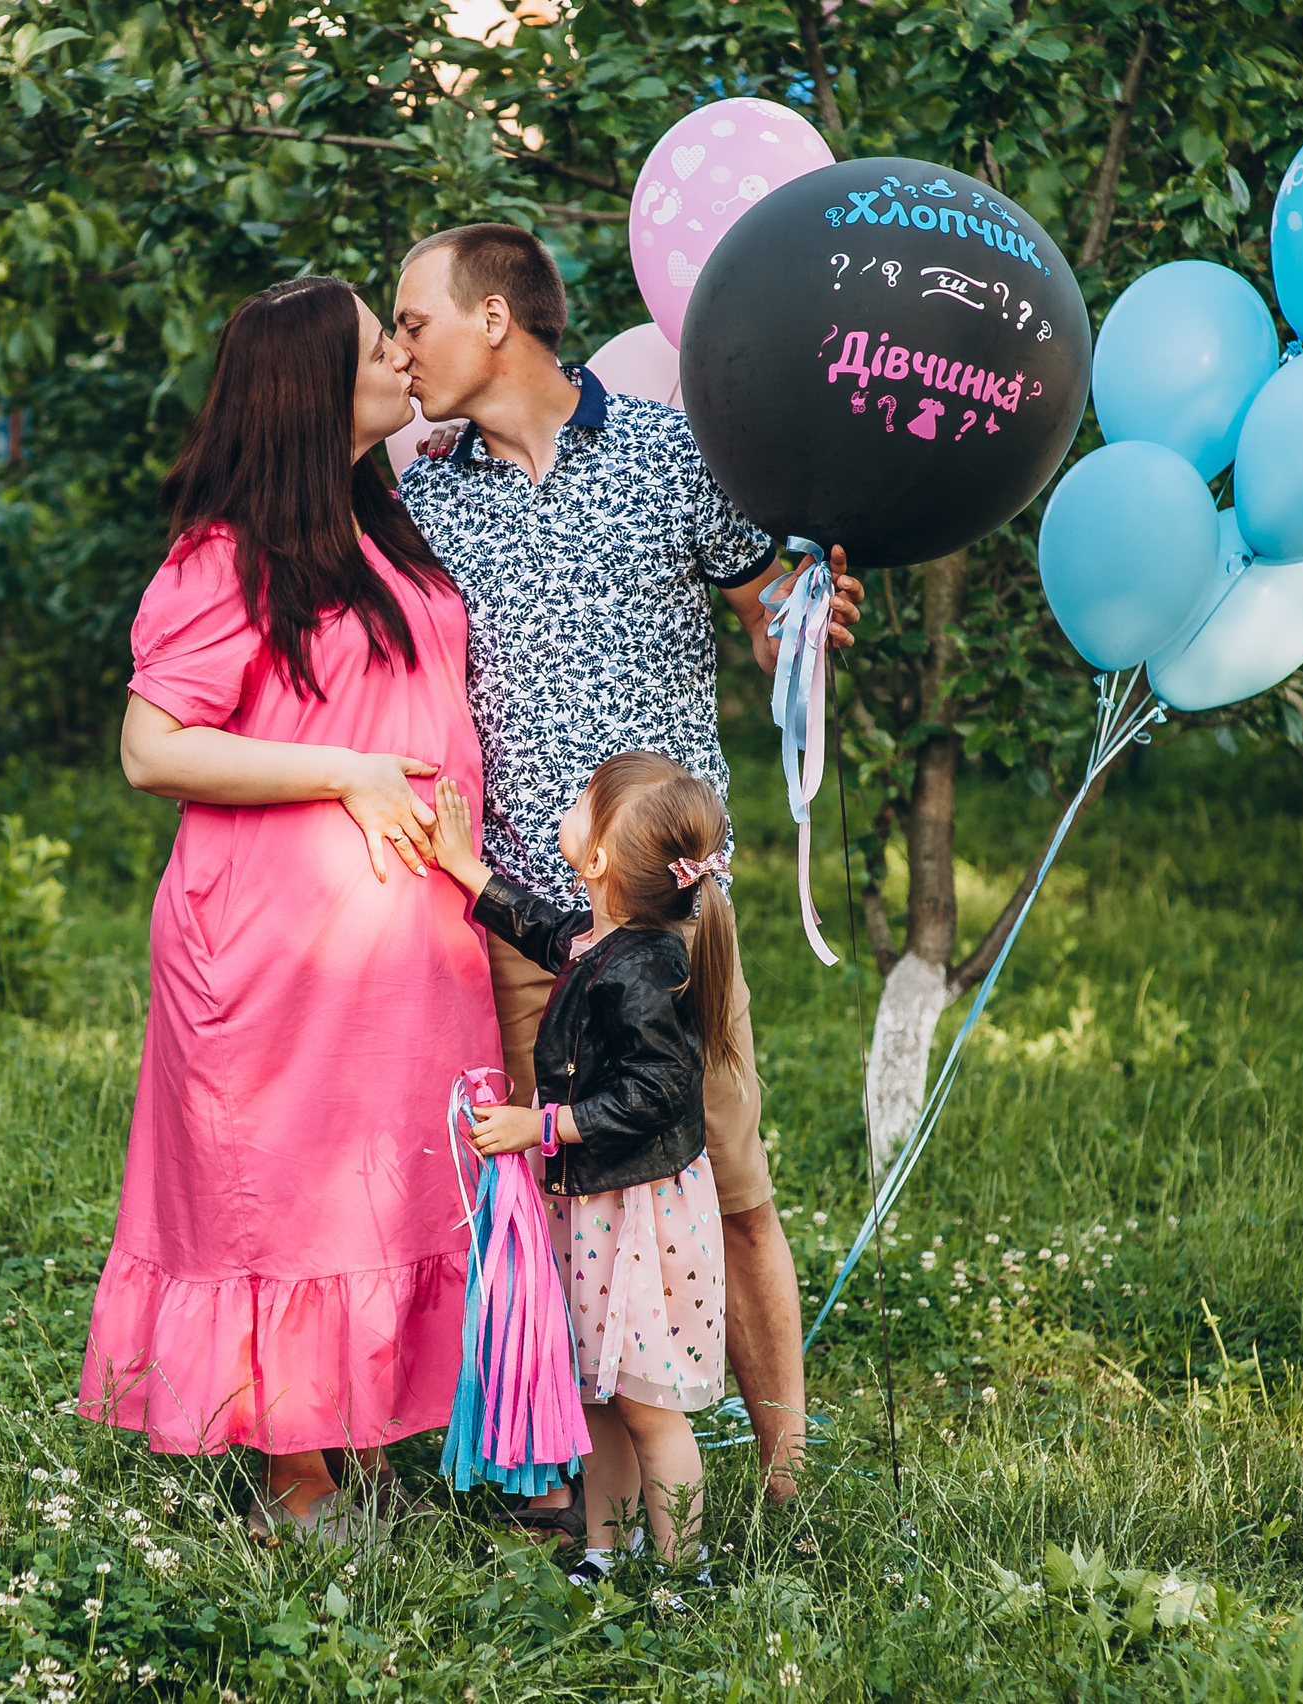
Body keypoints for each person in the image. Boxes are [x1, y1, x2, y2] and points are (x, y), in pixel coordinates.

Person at [391, 223, 862, 1508]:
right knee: (539, 1201)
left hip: (665, 918)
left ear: (496, 320)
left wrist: (800, 631)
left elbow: (772, 611)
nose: (401, 349)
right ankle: (565, 1488)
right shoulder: (424, 497)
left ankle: (784, 1476)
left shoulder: (669, 454)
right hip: (513, 918)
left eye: (414, 320)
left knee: (729, 1179)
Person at [77, 277, 499, 1542]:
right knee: (292, 1191)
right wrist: (349, 772)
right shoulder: (230, 551)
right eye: (383, 344)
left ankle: (363, 1436)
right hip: (277, 938)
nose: (404, 357)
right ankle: (295, 1472)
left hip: (407, 932)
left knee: (391, 1184)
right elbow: (153, 749)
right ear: (318, 385)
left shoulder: (383, 524)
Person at [425, 753, 738, 1582]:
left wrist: (544, 1124)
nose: (564, 808)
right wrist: (468, 870)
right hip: (596, 1211)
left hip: (637, 1220)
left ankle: (683, 1573)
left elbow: (660, 1093)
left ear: (596, 858)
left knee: (649, 1405)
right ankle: (606, 1548)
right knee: (597, 1393)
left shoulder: (644, 969)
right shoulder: (603, 940)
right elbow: (540, 929)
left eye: (578, 804)